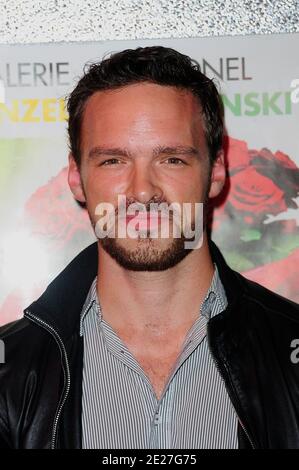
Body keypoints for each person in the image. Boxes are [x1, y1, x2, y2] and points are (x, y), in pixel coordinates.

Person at [0, 46, 299, 450]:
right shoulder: (9, 372)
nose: (143, 190)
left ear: (217, 172)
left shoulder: (290, 349)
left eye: (172, 159)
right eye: (113, 161)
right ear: (76, 176)